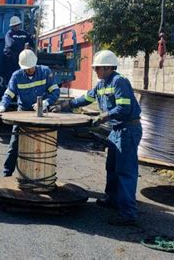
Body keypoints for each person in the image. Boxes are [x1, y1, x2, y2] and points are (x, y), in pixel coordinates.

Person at [52, 50, 142, 226]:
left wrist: (103, 116)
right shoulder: (102, 84)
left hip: (128, 129)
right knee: (112, 167)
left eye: (98, 68)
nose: (95, 71)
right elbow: (85, 98)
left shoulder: (119, 81)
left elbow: (124, 109)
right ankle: (113, 200)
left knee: (125, 171)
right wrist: (65, 105)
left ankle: (128, 214)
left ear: (108, 67)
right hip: (117, 130)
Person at [0, 49, 60, 177]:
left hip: (41, 113)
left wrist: (45, 103)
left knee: (43, 144)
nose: (29, 70)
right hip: (23, 113)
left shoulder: (45, 72)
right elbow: (9, 94)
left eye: (31, 67)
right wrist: (2, 106)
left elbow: (55, 92)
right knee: (14, 145)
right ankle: (6, 174)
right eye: (27, 68)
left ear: (35, 64)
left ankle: (40, 175)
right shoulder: (17, 76)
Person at [4, 16, 34, 82]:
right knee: (11, 75)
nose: (16, 26)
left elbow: (31, 42)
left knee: (22, 74)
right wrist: (22, 47)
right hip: (11, 59)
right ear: (11, 26)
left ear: (20, 24)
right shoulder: (9, 34)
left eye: (17, 25)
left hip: (22, 58)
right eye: (14, 25)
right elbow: (10, 44)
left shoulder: (24, 33)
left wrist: (30, 47)